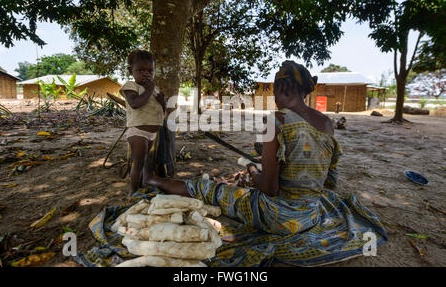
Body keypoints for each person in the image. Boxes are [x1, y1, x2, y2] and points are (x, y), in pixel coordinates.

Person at [145, 60, 341, 235]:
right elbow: (329, 181)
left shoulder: (276, 121)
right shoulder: (327, 124)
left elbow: (270, 189)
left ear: (284, 89)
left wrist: (252, 168)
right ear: (305, 91)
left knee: (205, 188)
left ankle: (153, 179)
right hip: (310, 215)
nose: (275, 100)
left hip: (278, 218)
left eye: (275, 94)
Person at [120, 50, 166, 198]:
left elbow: (161, 111)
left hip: (152, 134)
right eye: (141, 70)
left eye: (150, 71)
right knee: (138, 163)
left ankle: (141, 186)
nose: (146, 74)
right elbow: (134, 103)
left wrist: (162, 103)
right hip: (138, 132)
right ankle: (132, 192)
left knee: (146, 162)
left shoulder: (154, 89)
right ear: (131, 71)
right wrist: (149, 90)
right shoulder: (131, 86)